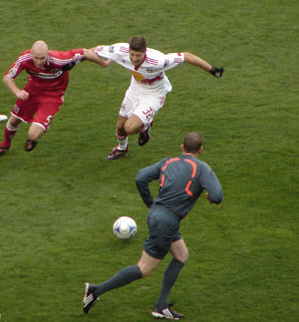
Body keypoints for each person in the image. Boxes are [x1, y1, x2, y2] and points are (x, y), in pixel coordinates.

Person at [83, 132, 223, 319]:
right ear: (201, 149)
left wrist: (150, 203)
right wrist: (208, 196)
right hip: (167, 221)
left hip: (158, 215)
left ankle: (161, 305)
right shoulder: (203, 169)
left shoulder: (167, 162)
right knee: (144, 268)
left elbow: (141, 177)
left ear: (182, 148)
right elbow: (217, 196)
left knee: (181, 255)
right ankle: (95, 291)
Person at [92, 36, 224, 160]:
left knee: (130, 128)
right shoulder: (120, 50)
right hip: (134, 90)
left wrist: (211, 69)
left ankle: (146, 125)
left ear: (145, 51)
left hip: (154, 95)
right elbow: (94, 50)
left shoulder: (158, 61)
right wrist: (75, 57)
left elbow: (186, 56)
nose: (134, 58)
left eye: (138, 55)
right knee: (120, 126)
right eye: (132, 54)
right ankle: (122, 148)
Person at [0, 40, 109, 156]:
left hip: (52, 96)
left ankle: (38, 131)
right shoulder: (24, 59)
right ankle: (5, 144)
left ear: (48, 54)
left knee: (32, 135)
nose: (39, 61)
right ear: (31, 53)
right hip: (32, 92)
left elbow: (85, 53)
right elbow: (7, 77)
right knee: (14, 119)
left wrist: (104, 64)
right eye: (36, 58)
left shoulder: (59, 58)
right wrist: (17, 92)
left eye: (42, 58)